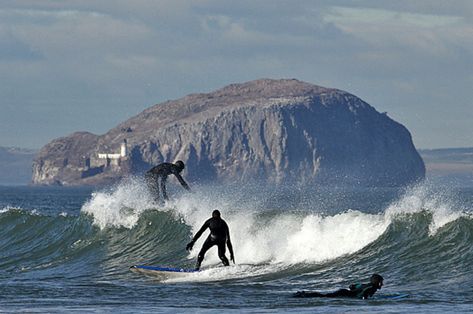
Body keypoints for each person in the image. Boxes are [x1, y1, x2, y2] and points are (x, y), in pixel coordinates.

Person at [293, 274, 384, 299]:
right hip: (344, 294)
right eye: (381, 282)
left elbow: (352, 286)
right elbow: (364, 295)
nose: (382, 284)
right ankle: (304, 295)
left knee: (325, 295)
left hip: (344, 292)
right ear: (377, 282)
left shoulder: (366, 285)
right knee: (324, 296)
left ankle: (304, 294)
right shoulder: (371, 287)